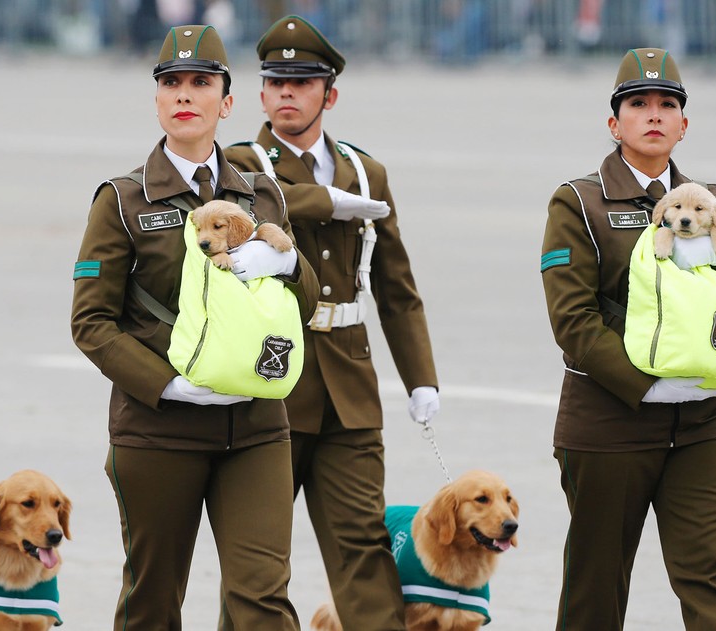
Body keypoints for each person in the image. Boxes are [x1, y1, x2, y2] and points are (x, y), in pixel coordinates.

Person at [70, 24, 318, 629]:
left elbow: (304, 303)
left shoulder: (261, 193)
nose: (185, 94)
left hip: (256, 425)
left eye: (201, 83)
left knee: (262, 599)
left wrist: (286, 261)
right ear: (157, 101)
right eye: (171, 84)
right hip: (160, 430)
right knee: (153, 602)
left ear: (226, 103)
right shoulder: (123, 200)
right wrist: (166, 385)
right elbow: (91, 321)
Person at [221, 15, 440, 630]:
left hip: (349, 386)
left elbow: (396, 288)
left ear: (329, 94)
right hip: (269, 385)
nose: (287, 92)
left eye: (302, 81)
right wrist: (324, 202)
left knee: (363, 553)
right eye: (276, 81)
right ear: (261, 94)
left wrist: (420, 377)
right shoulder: (234, 161)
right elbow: (252, 199)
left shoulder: (367, 173)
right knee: (259, 567)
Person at [540, 48, 716, 631]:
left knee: (711, 573)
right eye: (638, 104)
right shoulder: (578, 201)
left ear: (685, 124)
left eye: (668, 104)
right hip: (610, 421)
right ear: (615, 123)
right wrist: (647, 386)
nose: (653, 114)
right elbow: (573, 319)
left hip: (705, 421)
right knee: (596, 586)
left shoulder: (709, 200)